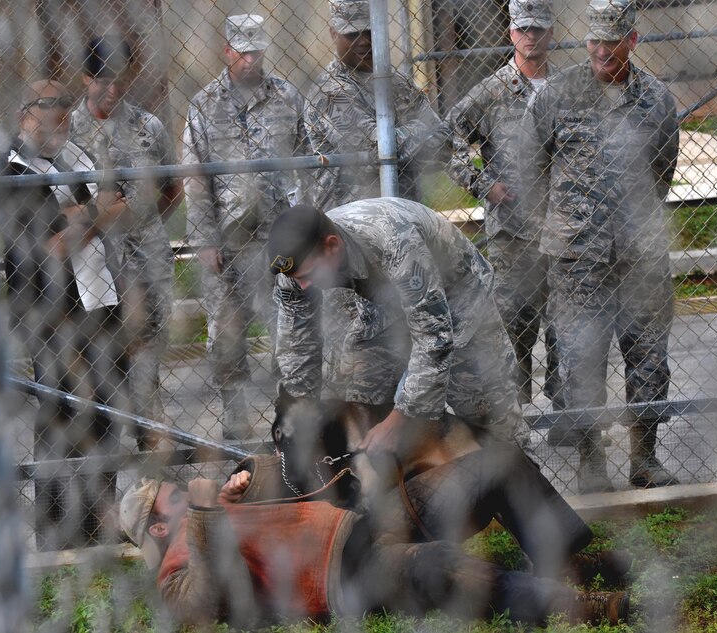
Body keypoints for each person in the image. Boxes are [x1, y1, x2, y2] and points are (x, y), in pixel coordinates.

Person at [119, 455, 630, 627]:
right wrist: (207, 514)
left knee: (495, 465)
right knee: (446, 566)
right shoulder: (174, 571)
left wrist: (245, 478)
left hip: (359, 520)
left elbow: (292, 479)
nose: (187, 491)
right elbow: (204, 602)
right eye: (175, 497)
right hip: (347, 575)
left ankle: (564, 560)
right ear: (159, 528)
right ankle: (574, 605)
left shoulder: (214, 512)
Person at [521, 0, 680, 492]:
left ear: (633, 40)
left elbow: (663, 171)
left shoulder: (656, 99)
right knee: (580, 361)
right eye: (595, 41)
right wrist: (567, 222)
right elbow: (530, 168)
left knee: (649, 358)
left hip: (642, 259)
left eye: (613, 42)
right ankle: (592, 461)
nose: (602, 51)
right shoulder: (558, 95)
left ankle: (644, 457)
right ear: (586, 39)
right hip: (577, 262)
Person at [268, 199, 529, 456]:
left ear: (332, 246)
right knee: (359, 403)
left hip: (459, 302)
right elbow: (297, 346)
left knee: (490, 418)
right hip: (384, 308)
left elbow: (433, 337)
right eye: (296, 279)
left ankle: (527, 485)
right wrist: (298, 416)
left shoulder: (396, 241)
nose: (303, 287)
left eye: (309, 276)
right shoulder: (295, 271)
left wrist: (399, 419)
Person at [0, 80, 131, 549]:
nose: (61, 116)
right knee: (60, 420)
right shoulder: (12, 170)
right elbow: (48, 251)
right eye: (49, 109)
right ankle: (57, 537)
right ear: (24, 115)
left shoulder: (77, 156)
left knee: (105, 419)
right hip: (50, 316)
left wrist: (84, 216)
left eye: (66, 108)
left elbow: (119, 208)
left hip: (102, 304)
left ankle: (100, 528)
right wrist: (96, 212)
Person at [182, 14, 309, 440]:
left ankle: (286, 414)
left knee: (287, 328)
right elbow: (195, 176)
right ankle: (234, 418)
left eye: (257, 51)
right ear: (227, 51)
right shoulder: (204, 104)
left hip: (278, 238)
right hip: (227, 242)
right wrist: (203, 239)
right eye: (243, 51)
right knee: (226, 334)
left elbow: (307, 162)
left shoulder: (286, 97)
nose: (251, 60)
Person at [446, 0, 561, 409]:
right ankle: (517, 417)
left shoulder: (568, 90)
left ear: (551, 32)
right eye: (523, 28)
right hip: (513, 234)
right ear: (510, 33)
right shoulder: (493, 91)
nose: (531, 36)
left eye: (538, 28)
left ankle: (568, 417)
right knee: (514, 326)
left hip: (564, 230)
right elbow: (448, 140)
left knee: (566, 327)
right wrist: (481, 182)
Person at [70, 35, 183, 447]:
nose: (112, 90)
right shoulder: (69, 132)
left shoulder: (147, 126)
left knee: (147, 350)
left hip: (147, 261)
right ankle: (98, 439)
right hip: (93, 268)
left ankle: (147, 431)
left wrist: (144, 226)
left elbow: (173, 190)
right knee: (97, 354)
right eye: (102, 80)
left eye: (119, 79)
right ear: (85, 79)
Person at [305, 0, 449, 211]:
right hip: (353, 219)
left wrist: (402, 142)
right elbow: (375, 149)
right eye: (352, 34)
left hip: (407, 212)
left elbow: (444, 143)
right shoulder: (328, 92)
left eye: (369, 31)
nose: (363, 41)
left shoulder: (399, 83)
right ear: (333, 34)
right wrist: (421, 130)